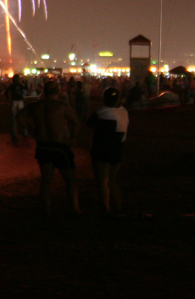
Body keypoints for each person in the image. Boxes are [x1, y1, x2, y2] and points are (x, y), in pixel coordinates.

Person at [16, 81, 80, 216]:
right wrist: (73, 138)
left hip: (43, 146)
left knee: (46, 181)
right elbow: (75, 121)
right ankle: (74, 209)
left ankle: (47, 210)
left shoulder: (35, 106)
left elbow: (20, 116)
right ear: (58, 91)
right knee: (70, 180)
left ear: (44, 91)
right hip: (60, 146)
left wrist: (30, 128)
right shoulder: (61, 106)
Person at [87, 87, 129, 215]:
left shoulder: (101, 112)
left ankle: (106, 209)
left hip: (102, 149)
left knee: (102, 181)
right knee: (112, 179)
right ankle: (118, 206)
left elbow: (89, 124)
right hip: (118, 149)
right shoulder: (124, 112)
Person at [8, 74, 26, 143]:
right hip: (20, 101)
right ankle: (24, 132)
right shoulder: (21, 86)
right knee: (22, 117)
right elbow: (26, 90)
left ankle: (14, 134)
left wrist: (9, 99)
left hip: (13, 101)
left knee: (13, 119)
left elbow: (6, 93)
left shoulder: (12, 86)